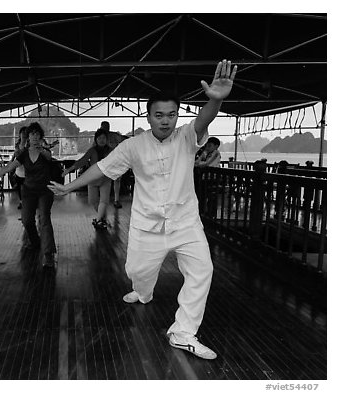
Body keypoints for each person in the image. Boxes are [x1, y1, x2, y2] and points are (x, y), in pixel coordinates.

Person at [49, 60, 238, 360]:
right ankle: (144, 291)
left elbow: (203, 120)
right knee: (137, 271)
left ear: (177, 116)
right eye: (159, 115)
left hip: (185, 222)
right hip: (147, 225)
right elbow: (100, 169)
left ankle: (183, 332)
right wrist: (69, 187)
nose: (166, 120)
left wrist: (215, 99)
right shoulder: (132, 146)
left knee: (203, 270)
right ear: (149, 117)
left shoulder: (187, 137)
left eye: (171, 114)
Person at [0, 122, 57, 268]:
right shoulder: (23, 154)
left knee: (44, 219)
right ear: (27, 136)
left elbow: (48, 157)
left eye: (37, 134)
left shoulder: (45, 152)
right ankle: (36, 242)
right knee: (27, 220)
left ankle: (48, 254)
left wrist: (41, 148)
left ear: (41, 136)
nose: (34, 136)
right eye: (32, 134)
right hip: (28, 191)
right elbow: (10, 166)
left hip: (45, 191)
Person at [62, 128, 112, 229]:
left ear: (106, 140)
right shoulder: (92, 151)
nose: (102, 140)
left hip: (106, 178)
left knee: (104, 201)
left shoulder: (111, 151)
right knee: (93, 201)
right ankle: (102, 217)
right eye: (99, 138)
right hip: (93, 178)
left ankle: (99, 220)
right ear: (96, 140)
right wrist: (69, 169)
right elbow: (82, 161)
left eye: (104, 138)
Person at [102, 121, 125, 209]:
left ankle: (115, 199)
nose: (105, 128)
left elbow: (123, 139)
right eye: (104, 127)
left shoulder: (112, 135)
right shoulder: (104, 136)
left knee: (115, 180)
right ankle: (113, 200)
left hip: (113, 160)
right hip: (108, 160)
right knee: (110, 181)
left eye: (106, 126)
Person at [12, 127, 29, 210]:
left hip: (27, 171)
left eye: (25, 133)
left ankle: (29, 202)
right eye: (22, 133)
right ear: (20, 134)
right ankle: (21, 202)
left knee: (28, 188)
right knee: (19, 188)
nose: (24, 134)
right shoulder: (17, 145)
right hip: (19, 170)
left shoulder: (29, 144)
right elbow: (15, 155)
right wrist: (11, 161)